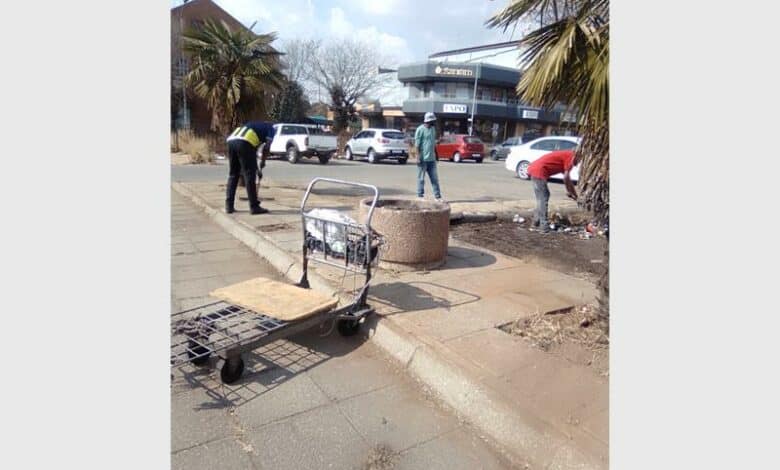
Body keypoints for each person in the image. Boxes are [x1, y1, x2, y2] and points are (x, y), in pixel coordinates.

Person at [225, 121, 275, 215]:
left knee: (233, 174)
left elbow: (253, 150)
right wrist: (263, 162)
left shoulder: (255, 125)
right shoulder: (271, 129)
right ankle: (254, 207)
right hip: (244, 142)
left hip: (231, 141)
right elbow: (266, 147)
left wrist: (257, 167)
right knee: (249, 175)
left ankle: (229, 206)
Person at [527, 149, 579, 233]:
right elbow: (566, 178)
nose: (578, 163)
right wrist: (572, 194)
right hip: (539, 171)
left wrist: (574, 194)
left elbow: (568, 180)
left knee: (542, 198)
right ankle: (543, 226)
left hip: (535, 168)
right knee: (543, 198)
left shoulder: (567, 156)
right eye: (579, 160)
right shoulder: (571, 156)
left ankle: (536, 222)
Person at [414, 112, 443, 201]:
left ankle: (437, 196)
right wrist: (418, 157)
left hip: (432, 159)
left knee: (434, 179)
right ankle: (420, 196)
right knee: (421, 179)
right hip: (423, 159)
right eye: (432, 121)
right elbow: (417, 145)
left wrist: (437, 155)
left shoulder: (433, 129)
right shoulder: (420, 130)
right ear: (428, 121)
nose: (434, 122)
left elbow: (433, 144)